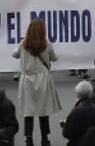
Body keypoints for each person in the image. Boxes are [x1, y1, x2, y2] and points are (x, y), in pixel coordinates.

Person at [16, 17, 62, 146]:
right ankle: (44, 137)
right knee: (43, 109)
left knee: (28, 111)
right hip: (42, 79)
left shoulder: (23, 43)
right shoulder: (46, 44)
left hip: (27, 80)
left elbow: (14, 54)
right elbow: (54, 58)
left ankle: (29, 139)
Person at [61, 81, 95, 146]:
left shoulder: (75, 112)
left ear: (77, 94)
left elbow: (68, 134)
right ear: (91, 93)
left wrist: (64, 126)